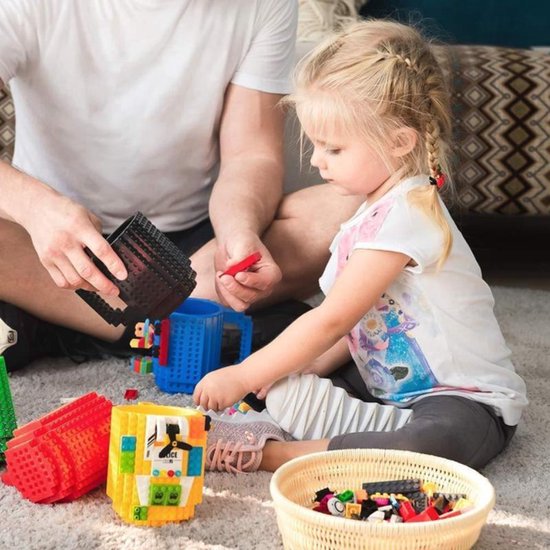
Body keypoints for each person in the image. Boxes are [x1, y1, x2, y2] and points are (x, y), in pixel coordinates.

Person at [194, 19, 528, 473]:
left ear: (398, 142)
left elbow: (331, 320)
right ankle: (373, 433)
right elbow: (355, 333)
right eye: (315, 145)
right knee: (286, 380)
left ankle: (280, 455)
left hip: (462, 401)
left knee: (433, 445)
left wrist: (244, 374)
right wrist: (292, 371)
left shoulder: (408, 216)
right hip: (387, 385)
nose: (315, 161)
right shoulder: (366, 216)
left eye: (333, 149)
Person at [0, 0, 363, 371]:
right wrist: (36, 207)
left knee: (352, 210)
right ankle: (160, 325)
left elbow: (251, 155)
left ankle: (69, 322)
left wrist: (238, 232)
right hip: (43, 246)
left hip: (191, 256)